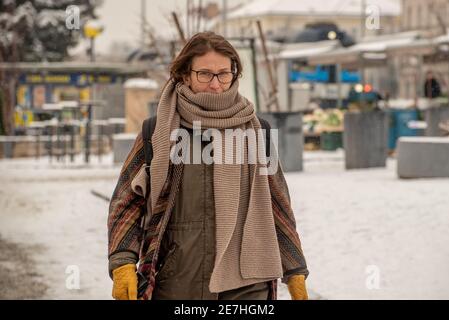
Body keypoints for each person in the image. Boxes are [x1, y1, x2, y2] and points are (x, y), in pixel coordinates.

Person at [107, 32, 309, 300]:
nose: (215, 84)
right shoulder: (157, 131)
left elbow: (277, 204)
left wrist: (295, 269)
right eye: (205, 74)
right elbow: (127, 201)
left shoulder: (257, 131)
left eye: (223, 74)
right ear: (185, 74)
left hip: (247, 286)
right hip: (176, 282)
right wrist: (122, 261)